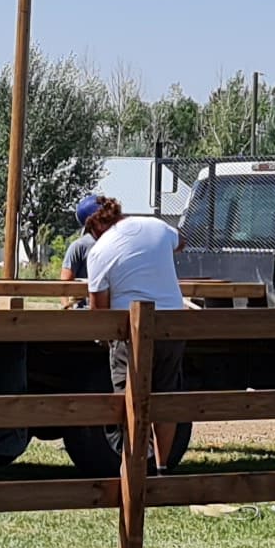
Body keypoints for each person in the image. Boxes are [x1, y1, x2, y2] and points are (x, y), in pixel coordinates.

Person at [79, 193, 189, 469]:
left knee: (129, 401)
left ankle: (136, 470)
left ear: (94, 227)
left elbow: (100, 311)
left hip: (133, 331)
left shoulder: (100, 251)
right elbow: (181, 242)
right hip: (172, 325)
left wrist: (103, 339)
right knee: (165, 398)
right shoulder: (156, 226)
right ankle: (162, 468)